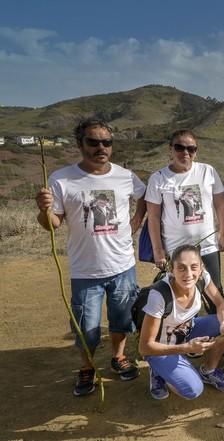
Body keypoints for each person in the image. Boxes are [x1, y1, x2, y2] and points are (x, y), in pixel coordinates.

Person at [35, 118, 146, 396]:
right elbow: (53, 223)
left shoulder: (125, 175)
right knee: (87, 326)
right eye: (93, 142)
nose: (101, 147)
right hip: (85, 270)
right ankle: (87, 367)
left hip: (122, 265)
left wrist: (135, 222)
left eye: (106, 142)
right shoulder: (61, 179)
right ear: (80, 144)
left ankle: (118, 357)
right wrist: (43, 210)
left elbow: (144, 197)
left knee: (122, 319)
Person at [145, 130, 224, 312]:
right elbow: (152, 217)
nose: (185, 152)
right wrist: (158, 251)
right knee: (182, 297)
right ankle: (184, 335)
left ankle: (217, 336)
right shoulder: (158, 179)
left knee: (215, 293)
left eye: (191, 148)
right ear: (170, 149)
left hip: (207, 247)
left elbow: (220, 205)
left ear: (196, 151)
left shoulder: (208, 171)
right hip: (177, 250)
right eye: (180, 147)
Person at [138, 245, 224, 400]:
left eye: (194, 267)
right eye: (181, 268)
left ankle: (208, 371)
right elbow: (144, 347)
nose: (189, 274)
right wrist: (186, 348)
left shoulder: (203, 277)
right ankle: (158, 371)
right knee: (192, 390)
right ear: (172, 269)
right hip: (160, 346)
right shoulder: (160, 294)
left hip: (186, 331)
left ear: (201, 268)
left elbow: (221, 304)